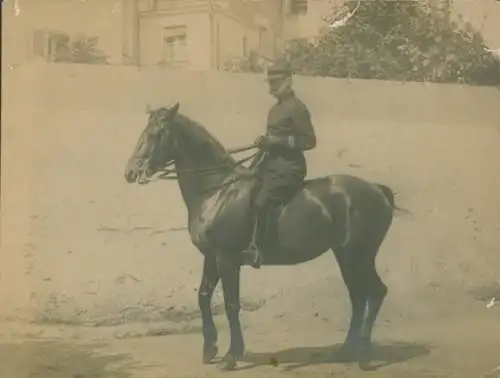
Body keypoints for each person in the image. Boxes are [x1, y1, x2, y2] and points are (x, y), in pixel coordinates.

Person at [241, 60, 317, 269]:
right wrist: (264, 143)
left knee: (261, 202)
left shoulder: (297, 108)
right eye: (270, 82)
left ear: (288, 81)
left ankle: (257, 249)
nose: (271, 87)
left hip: (289, 169)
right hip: (270, 164)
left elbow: (309, 141)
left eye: (276, 82)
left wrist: (275, 142)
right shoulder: (276, 108)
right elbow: (273, 137)